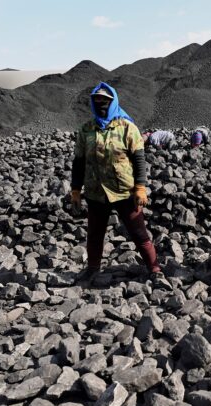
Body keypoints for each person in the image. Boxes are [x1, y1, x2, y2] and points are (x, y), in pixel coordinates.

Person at [70, 82, 161, 280]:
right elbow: (79, 161)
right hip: (96, 192)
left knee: (138, 233)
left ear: (113, 102)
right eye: (97, 99)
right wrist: (75, 189)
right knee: (94, 234)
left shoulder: (127, 127)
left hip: (124, 191)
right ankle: (93, 269)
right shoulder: (86, 130)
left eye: (106, 99)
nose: (101, 102)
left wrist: (140, 187)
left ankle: (155, 270)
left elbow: (138, 159)